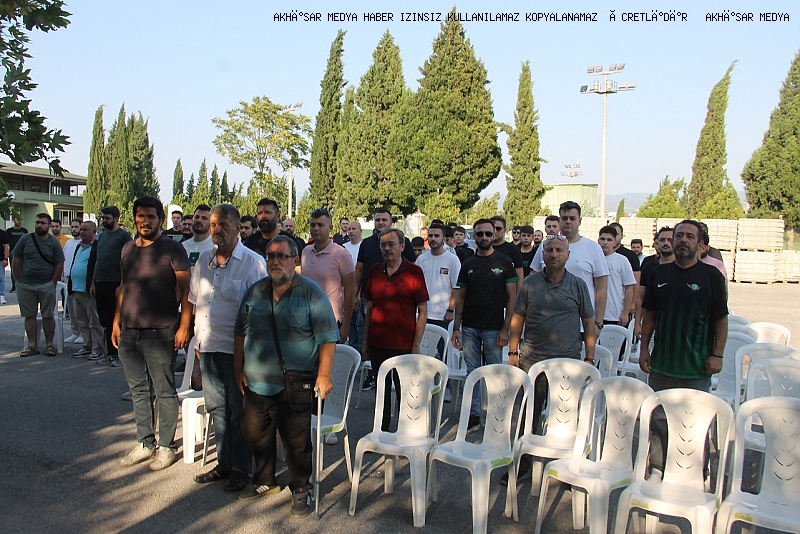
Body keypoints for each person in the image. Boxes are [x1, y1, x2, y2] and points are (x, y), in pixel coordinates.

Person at [235, 235, 337, 518]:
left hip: (295, 383)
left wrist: (324, 375)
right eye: (271, 256)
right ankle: (265, 480)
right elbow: (239, 332)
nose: (275, 261)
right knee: (254, 432)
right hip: (256, 382)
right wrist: (238, 370)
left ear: (295, 260)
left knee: (296, 442)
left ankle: (301, 488)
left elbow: (328, 338)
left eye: (282, 256)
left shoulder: (311, 293)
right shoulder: (255, 291)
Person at [638, 220, 728, 480]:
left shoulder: (711, 276)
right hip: (663, 364)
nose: (682, 240)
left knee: (695, 422)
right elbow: (650, 316)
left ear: (700, 244)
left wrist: (717, 354)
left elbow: (721, 319)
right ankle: (658, 467)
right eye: (679, 235)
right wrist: (644, 349)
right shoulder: (658, 274)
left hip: (696, 365)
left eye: (689, 236)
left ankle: (696, 472)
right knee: (660, 419)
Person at [189, 204, 266, 492]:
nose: (217, 230)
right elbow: (196, 301)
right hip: (208, 347)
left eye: (223, 225)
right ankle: (223, 464)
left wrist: (250, 356)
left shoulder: (252, 262)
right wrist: (197, 339)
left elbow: (259, 311)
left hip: (238, 353)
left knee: (238, 411)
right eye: (213, 225)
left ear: (237, 227)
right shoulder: (203, 260)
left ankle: (240, 469)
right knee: (217, 410)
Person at [506, 234, 596, 480]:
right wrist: (513, 352)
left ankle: (567, 467)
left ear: (568, 255)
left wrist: (589, 359)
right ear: (542, 254)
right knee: (529, 414)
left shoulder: (578, 285)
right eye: (549, 250)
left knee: (565, 416)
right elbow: (517, 319)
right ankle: (522, 463)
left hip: (567, 362)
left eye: (559, 250)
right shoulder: (530, 283)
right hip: (532, 360)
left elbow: (589, 322)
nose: (554, 254)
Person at [113, 196, 192, 472]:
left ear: (160, 219)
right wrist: (116, 322)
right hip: (130, 330)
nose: (145, 221)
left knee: (164, 391)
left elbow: (187, 292)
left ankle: (167, 447)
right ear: (134, 218)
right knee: (138, 390)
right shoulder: (127, 249)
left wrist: (183, 326)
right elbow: (123, 288)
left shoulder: (173, 249)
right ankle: (145, 442)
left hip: (161, 331)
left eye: (151, 216)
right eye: (140, 216)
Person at [452, 219, 518, 431]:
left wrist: (506, 329)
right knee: (473, 371)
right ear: (475, 236)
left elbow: (512, 298)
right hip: (470, 327)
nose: (484, 237)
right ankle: (474, 413)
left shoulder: (505, 262)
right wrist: (456, 327)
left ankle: (494, 413)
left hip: (494, 328)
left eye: (488, 233)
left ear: (495, 235)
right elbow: (460, 297)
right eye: (479, 234)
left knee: (494, 372)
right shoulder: (468, 264)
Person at [362, 228, 429, 430]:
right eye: (383, 245)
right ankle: (380, 432)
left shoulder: (414, 272)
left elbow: (423, 312)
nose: (387, 248)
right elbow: (370, 308)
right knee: (381, 391)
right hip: (377, 343)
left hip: (403, 345)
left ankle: (403, 433)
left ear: (402, 246)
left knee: (404, 391)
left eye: (391, 244)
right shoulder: (375, 271)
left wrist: (416, 345)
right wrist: (365, 342)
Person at [354, 208, 416, 390]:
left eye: (384, 219)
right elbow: (359, 268)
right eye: (378, 219)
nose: (380, 222)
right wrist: (355, 292)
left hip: (398, 299)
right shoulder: (366, 244)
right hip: (371, 295)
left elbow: (411, 266)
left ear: (391, 222)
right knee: (369, 329)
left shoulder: (404, 243)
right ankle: (373, 375)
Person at [531, 201, 608, 337]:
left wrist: (597, 323)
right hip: (547, 323)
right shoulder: (546, 246)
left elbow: (601, 289)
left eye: (572, 218)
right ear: (559, 220)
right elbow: (533, 282)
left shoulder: (593, 248)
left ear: (579, 221)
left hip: (582, 326)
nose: (568, 222)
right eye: (564, 218)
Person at [301, 208, 354, 348]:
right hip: (305, 321)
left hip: (331, 323)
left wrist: (345, 326)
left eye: (320, 225)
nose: (316, 228)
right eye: (313, 225)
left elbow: (350, 292)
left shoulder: (341, 254)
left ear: (330, 228)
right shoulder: (305, 252)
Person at [13, 212, 65, 357]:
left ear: (49, 225)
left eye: (42, 223)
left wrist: (52, 282)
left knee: (48, 315)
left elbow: (59, 263)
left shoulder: (53, 242)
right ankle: (32, 346)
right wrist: (17, 280)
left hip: (46, 285)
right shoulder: (25, 239)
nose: (39, 225)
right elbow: (16, 258)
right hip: (26, 285)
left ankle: (49, 345)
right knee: (29, 315)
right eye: (37, 222)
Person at [91, 206, 131, 367]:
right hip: (101, 282)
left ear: (116, 218)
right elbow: (98, 261)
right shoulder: (101, 237)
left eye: (107, 218)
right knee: (105, 320)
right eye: (102, 218)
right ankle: (109, 353)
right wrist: (93, 282)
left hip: (116, 283)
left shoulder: (123, 236)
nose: (104, 221)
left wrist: (122, 284)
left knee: (118, 320)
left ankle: (120, 355)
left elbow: (128, 261)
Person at [416, 222, 461, 358]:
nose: (433, 239)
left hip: (443, 316)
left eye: (437, 236)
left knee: (443, 354)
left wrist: (450, 310)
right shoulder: (421, 259)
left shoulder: (452, 260)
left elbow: (456, 288)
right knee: (422, 353)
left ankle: (443, 373)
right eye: (430, 236)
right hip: (423, 314)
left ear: (443, 238)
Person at [68, 221, 105, 361]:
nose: (82, 232)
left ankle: (97, 348)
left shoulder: (96, 246)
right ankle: (87, 345)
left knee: (94, 322)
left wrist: (93, 284)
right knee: (82, 321)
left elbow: (97, 266)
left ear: (94, 232)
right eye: (81, 229)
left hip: (88, 291)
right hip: (76, 289)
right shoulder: (78, 246)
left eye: (85, 229)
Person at [634, 227, 674, 341]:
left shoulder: (683, 269)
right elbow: (640, 297)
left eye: (670, 240)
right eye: (662, 240)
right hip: (651, 323)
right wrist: (637, 323)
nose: (666, 243)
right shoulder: (649, 267)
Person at [598, 226, 636, 327]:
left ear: (615, 242)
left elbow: (629, 288)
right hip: (596, 315)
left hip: (615, 315)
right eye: (602, 239)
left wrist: (625, 312)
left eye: (609, 240)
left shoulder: (622, 260)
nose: (605, 242)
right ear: (598, 240)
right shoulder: (593, 259)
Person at [343, 221, 364, 352]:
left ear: (360, 231)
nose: (351, 231)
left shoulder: (364, 246)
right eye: (349, 229)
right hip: (346, 290)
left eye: (354, 229)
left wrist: (358, 292)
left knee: (360, 322)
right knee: (350, 321)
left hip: (360, 290)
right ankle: (352, 349)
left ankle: (361, 350)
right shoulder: (343, 248)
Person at [490, 215, 525, 292]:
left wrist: (518, 296)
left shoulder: (513, 249)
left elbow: (520, 276)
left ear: (504, 230)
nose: (495, 231)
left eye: (498, 228)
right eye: (492, 228)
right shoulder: (483, 248)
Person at [62, 219, 83, 343]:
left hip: (79, 279)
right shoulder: (69, 242)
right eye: (72, 227)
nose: (74, 229)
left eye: (76, 227)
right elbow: (63, 259)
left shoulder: (84, 243)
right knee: (70, 306)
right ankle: (75, 332)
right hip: (67, 277)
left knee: (79, 307)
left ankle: (83, 333)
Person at [7, 216, 28, 293]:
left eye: (20, 219)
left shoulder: (24, 231)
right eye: (17, 219)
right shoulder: (9, 231)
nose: (19, 221)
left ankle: (23, 286)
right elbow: (7, 243)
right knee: (14, 269)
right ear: (13, 220)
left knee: (23, 269)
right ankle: (14, 286)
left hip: (23, 252)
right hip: (13, 252)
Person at [0, 225, 8, 304]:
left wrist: (6, 258)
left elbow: (6, 246)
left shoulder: (3, 233)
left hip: (0, 259)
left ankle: (1, 295)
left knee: (1, 279)